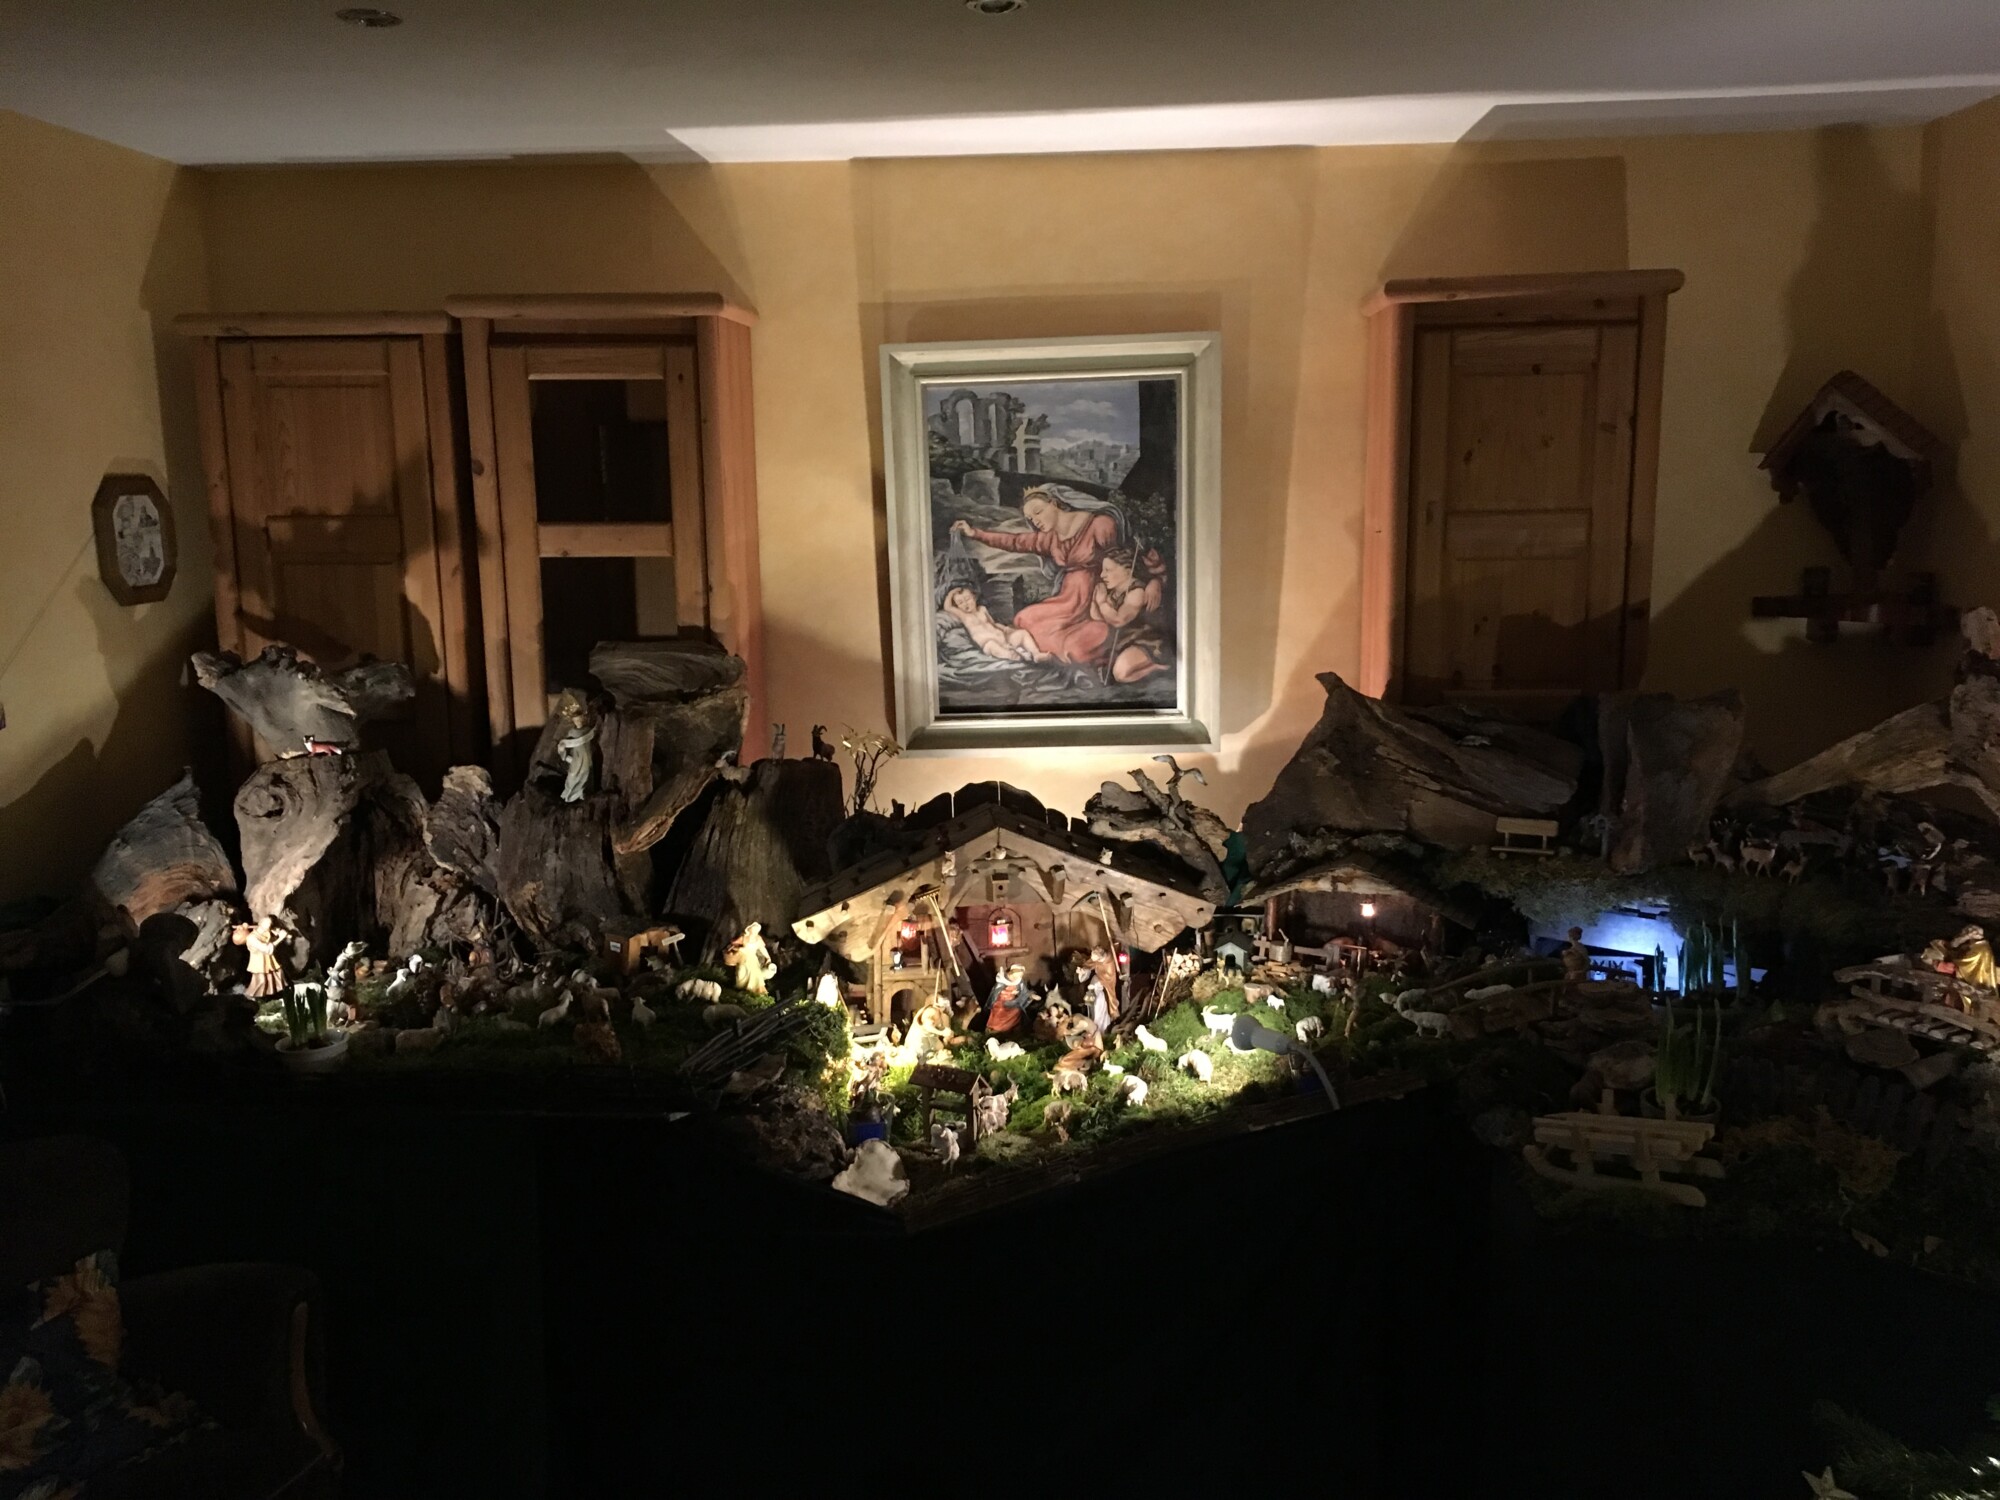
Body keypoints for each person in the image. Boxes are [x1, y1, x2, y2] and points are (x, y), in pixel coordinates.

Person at [949, 485, 1125, 665]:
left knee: (1073, 644)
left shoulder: (1100, 524)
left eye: (1038, 512)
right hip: (1068, 598)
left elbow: (1121, 563)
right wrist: (975, 533)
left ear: (1054, 503)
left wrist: (1115, 597)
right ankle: (1042, 652)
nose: (1036, 521)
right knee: (1024, 619)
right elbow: (1015, 541)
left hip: (1094, 598)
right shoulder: (1050, 538)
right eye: (1031, 519)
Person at [1088, 547, 1174, 684]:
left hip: (1146, 642)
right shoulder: (1114, 592)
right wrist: (1095, 600)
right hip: (1124, 643)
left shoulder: (1137, 592)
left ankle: (1157, 667)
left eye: (1108, 570)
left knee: (1120, 674)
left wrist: (1102, 602)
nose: (1103, 575)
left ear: (1127, 571)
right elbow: (1097, 617)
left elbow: (1119, 620)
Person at [939, 583, 1048, 664]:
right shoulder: (964, 616)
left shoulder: (982, 609)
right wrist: (952, 593)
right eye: (960, 602)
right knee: (992, 645)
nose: (965, 604)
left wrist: (1005, 629)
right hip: (989, 645)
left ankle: (1036, 654)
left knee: (1022, 633)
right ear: (957, 606)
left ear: (974, 598)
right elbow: (947, 607)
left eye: (967, 599)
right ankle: (1013, 656)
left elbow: (993, 624)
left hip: (1005, 640)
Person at [723, 921, 778, 996]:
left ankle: (754, 990)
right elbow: (733, 944)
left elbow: (762, 948)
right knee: (741, 973)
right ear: (749, 929)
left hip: (752, 959)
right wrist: (737, 949)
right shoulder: (744, 938)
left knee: (754, 974)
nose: (754, 931)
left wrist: (767, 957)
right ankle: (741, 988)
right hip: (743, 958)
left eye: (756, 930)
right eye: (753, 929)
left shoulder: (758, 939)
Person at [983, 962, 1032, 1035]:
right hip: (1001, 1001)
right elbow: (995, 992)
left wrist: (1020, 993)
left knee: (1016, 1010)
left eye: (1019, 976)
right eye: (1015, 976)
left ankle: (1012, 1028)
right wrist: (1007, 992)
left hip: (1013, 1001)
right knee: (1000, 1011)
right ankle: (996, 1029)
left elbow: (1024, 991)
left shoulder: (1019, 982)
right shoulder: (1001, 981)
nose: (1016, 978)